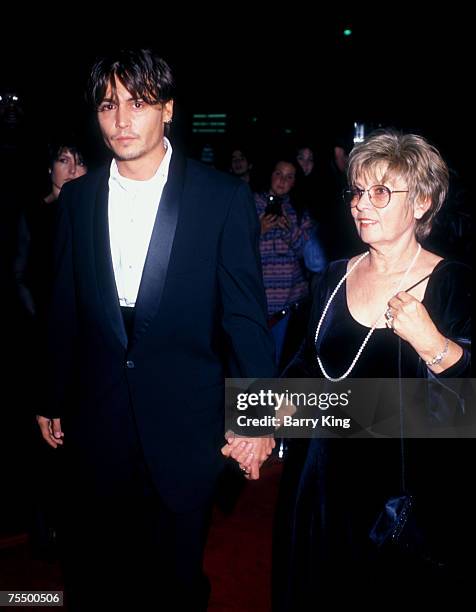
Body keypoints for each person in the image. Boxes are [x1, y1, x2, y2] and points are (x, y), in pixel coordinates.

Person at [36, 48, 275, 611]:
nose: (121, 120)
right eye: (108, 105)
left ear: (167, 109)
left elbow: (244, 316)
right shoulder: (77, 200)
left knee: (174, 585)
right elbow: (63, 307)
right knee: (95, 579)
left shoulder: (221, 197)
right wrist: (49, 393)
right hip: (96, 424)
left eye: (138, 103)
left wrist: (258, 416)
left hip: (185, 431)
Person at [273, 129, 471, 609]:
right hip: (319, 489)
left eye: (381, 192)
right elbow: (303, 369)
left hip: (402, 505)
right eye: (358, 191)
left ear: (421, 202)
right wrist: (259, 424)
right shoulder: (331, 276)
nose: (362, 203)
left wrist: (435, 344)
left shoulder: (453, 285)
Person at [255, 158, 313, 369]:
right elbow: (235, 246)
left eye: (289, 177)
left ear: (295, 182)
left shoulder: (298, 210)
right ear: (270, 174)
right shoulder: (249, 203)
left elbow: (309, 255)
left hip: (288, 302)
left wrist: (291, 230)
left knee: (280, 362)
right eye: (278, 174)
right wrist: (258, 229)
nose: (282, 181)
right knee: (253, 359)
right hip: (257, 299)